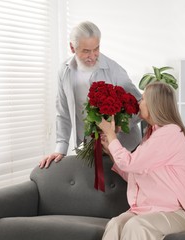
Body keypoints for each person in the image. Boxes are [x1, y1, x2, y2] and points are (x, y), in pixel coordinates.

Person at [96, 82, 185, 240]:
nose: (139, 102)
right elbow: (134, 173)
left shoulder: (170, 134)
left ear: (154, 104)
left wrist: (111, 136)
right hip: (146, 211)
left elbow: (130, 164)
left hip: (175, 213)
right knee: (114, 225)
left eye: (143, 99)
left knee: (136, 227)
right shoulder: (152, 135)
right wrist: (111, 151)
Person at [39, 21, 142, 168]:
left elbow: (139, 105)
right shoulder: (64, 71)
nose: (92, 56)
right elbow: (63, 112)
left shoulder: (114, 70)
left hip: (125, 149)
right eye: (86, 51)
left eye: (96, 49)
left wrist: (118, 126)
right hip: (91, 151)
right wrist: (60, 149)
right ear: (72, 47)